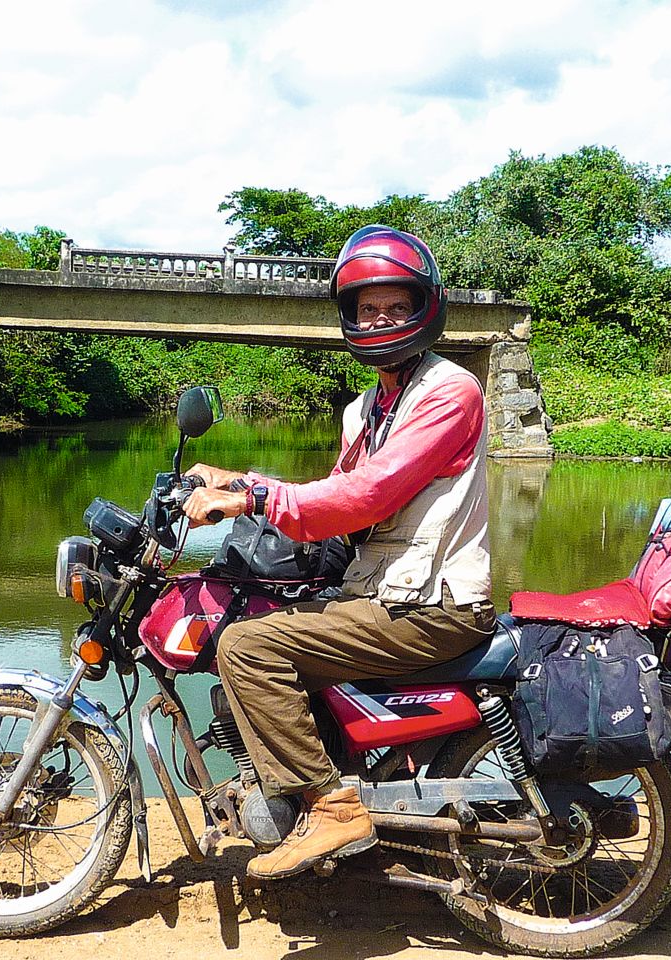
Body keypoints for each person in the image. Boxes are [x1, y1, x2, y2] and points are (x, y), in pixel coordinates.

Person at [183, 224, 494, 880]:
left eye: (396, 307)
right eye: (367, 308)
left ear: (424, 309)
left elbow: (367, 497)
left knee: (248, 648)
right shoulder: (367, 410)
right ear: (349, 317)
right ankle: (339, 789)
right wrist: (236, 483)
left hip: (432, 603)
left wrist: (251, 499)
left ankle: (331, 806)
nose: (381, 320)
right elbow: (335, 501)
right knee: (260, 619)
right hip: (384, 590)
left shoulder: (449, 392)